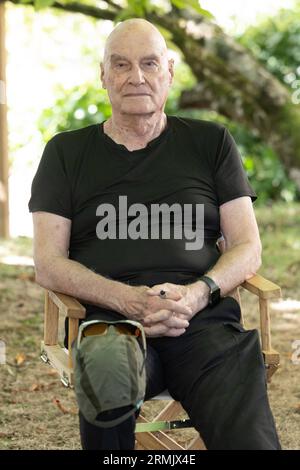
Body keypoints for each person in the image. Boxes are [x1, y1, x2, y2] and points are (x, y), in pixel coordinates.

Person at [28, 18, 281, 450]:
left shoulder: (210, 143)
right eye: (121, 65)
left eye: (149, 63)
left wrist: (198, 294)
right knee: (107, 363)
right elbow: (48, 263)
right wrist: (128, 300)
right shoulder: (66, 153)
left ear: (169, 70)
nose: (136, 77)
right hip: (110, 323)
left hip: (202, 324)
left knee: (249, 437)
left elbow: (247, 246)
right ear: (103, 75)